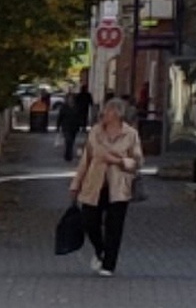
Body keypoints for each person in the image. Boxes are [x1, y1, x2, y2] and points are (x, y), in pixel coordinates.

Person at [69, 98, 143, 277]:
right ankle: (101, 250)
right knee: (89, 222)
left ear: (117, 114)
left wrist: (117, 161)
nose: (103, 115)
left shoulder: (130, 134)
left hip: (118, 187)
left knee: (114, 227)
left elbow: (137, 162)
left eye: (107, 112)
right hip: (94, 184)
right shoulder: (95, 132)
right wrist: (75, 184)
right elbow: (85, 159)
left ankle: (109, 265)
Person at [57, 93, 81, 162]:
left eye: (72, 98)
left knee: (71, 141)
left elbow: (79, 116)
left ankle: (68, 154)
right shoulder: (64, 107)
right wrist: (58, 126)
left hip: (74, 127)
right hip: (66, 126)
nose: (71, 100)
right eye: (69, 98)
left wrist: (80, 124)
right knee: (68, 140)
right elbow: (60, 117)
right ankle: (68, 155)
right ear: (67, 99)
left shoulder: (77, 107)